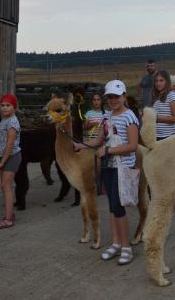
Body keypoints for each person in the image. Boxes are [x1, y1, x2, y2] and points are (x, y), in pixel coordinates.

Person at [74, 80, 139, 265]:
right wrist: (81, 145)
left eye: (116, 96)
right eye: (109, 97)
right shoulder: (107, 117)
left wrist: (108, 151)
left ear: (124, 96)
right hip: (108, 167)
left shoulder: (130, 117)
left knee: (119, 208)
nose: (113, 100)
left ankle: (126, 247)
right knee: (112, 207)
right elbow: (99, 140)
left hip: (122, 168)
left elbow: (132, 146)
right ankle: (116, 243)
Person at [0, 93, 21, 229]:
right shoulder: (4, 120)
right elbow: (2, 138)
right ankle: (9, 214)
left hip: (11, 157)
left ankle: (8, 219)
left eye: (8, 105)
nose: (4, 108)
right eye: (2, 105)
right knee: (5, 186)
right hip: (5, 157)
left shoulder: (13, 122)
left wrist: (2, 161)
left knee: (6, 186)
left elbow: (10, 143)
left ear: (14, 107)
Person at [151, 70, 175, 141]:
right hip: (155, 136)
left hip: (167, 138)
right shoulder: (156, 97)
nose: (158, 83)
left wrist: (158, 118)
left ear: (167, 81)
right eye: (156, 81)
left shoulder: (172, 95)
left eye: (161, 80)